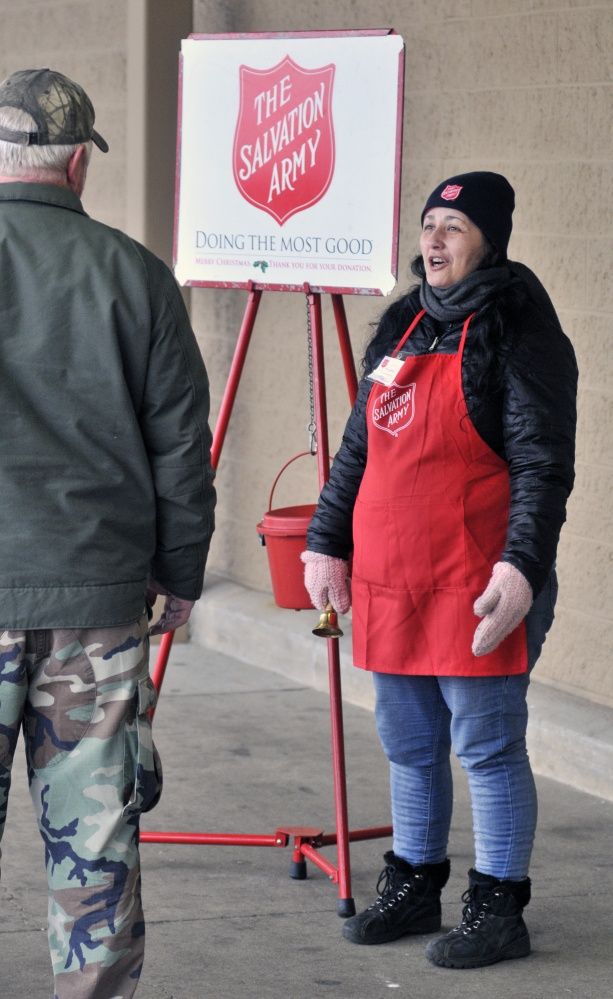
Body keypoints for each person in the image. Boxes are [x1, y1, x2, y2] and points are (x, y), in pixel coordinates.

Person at [302, 172, 577, 969]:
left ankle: (498, 907)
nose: (433, 240)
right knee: (408, 741)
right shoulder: (405, 325)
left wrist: (522, 566)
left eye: (452, 226)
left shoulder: (519, 329)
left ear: (489, 239)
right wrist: (326, 540)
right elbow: (356, 450)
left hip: (474, 580)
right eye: (427, 224)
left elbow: (541, 463)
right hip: (391, 577)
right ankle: (415, 880)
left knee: (486, 744)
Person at [0, 69, 215, 998]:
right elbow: (181, 446)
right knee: (93, 849)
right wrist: (180, 574)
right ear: (78, 161)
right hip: (96, 602)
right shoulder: (136, 273)